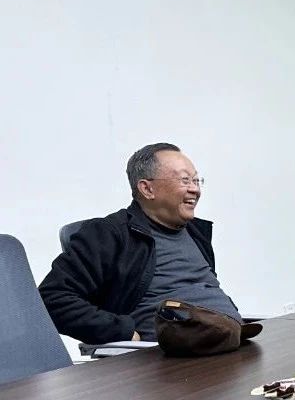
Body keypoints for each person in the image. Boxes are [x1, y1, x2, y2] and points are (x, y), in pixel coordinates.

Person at [40, 143, 244, 344]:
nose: (195, 189)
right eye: (185, 180)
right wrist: (123, 332)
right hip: (168, 357)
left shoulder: (196, 232)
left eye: (196, 180)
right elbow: (53, 298)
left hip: (230, 341)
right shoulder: (110, 234)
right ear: (147, 189)